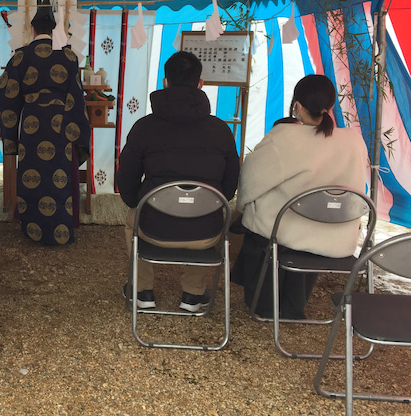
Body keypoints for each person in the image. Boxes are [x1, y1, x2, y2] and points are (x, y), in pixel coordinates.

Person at [232, 74, 369, 319]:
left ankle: (264, 305)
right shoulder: (354, 141)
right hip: (338, 237)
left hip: (286, 234)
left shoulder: (284, 137)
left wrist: (242, 208)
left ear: (297, 105)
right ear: (331, 106)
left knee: (254, 223)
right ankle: (293, 305)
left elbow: (249, 183)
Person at [116, 51, 240, 312]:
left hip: (153, 227)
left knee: (132, 218)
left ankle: (142, 290)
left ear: (165, 82)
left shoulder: (144, 127)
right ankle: (193, 294)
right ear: (200, 84)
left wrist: (139, 201)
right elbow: (229, 188)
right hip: (206, 232)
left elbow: (126, 179)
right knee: (213, 211)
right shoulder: (221, 130)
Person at [0, 4, 90, 245]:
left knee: (32, 174)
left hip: (31, 124)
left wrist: (17, 117)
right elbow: (77, 97)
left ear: (32, 29)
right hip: (60, 124)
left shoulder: (20, 56)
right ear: (55, 29)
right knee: (58, 176)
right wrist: (76, 133)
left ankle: (32, 230)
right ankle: (60, 230)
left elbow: (4, 92)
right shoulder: (69, 57)